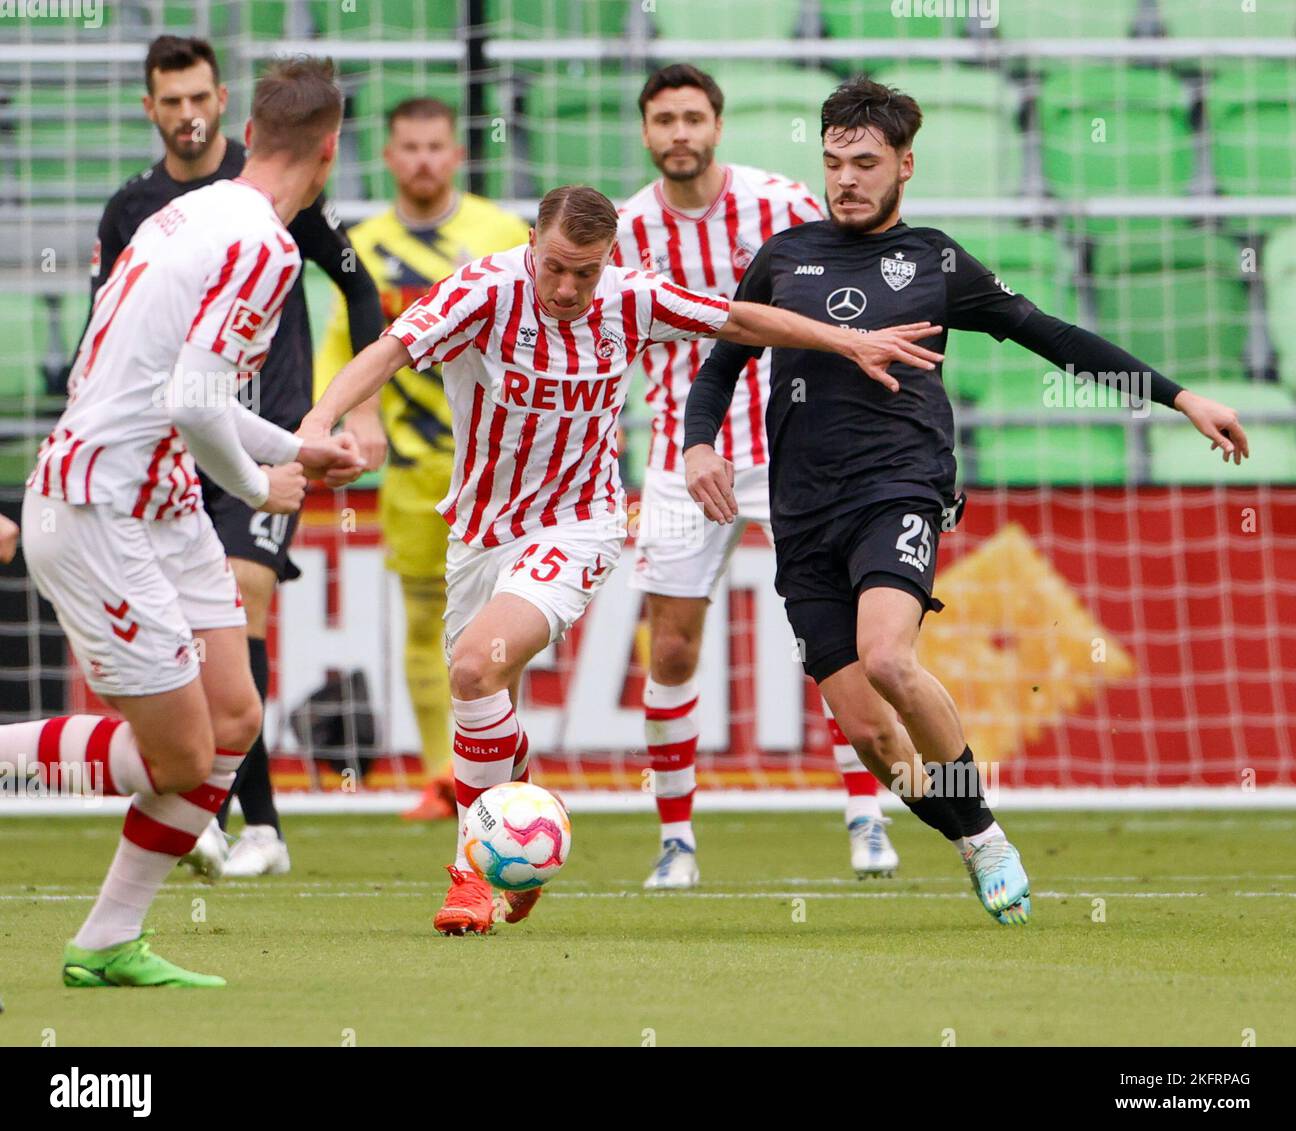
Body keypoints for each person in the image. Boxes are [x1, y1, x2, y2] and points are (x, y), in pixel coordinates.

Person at [302, 183, 943, 935]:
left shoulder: (631, 299)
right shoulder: (484, 290)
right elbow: (386, 349)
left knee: (476, 667)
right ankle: (519, 812)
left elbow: (738, 318)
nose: (570, 287)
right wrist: (321, 417)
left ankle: (472, 878)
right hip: (479, 532)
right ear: (531, 247)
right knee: (480, 689)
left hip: (579, 525)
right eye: (556, 268)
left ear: (610, 260)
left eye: (588, 271)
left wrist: (847, 340)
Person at [684, 77, 1251, 925]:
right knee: (874, 738)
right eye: (834, 161)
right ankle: (962, 833)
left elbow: (1052, 335)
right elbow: (722, 359)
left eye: (866, 163)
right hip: (800, 509)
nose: (846, 178)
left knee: (887, 657)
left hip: (897, 488)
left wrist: (1178, 398)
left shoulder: (936, 260)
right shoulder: (784, 256)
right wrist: (697, 442)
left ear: (904, 166)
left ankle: (985, 835)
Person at [0, 57, 362, 987]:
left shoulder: (191, 213)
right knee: (180, 755)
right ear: (330, 150)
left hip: (157, 499)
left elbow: (184, 390)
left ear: (248, 125)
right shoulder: (266, 246)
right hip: (98, 504)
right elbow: (200, 402)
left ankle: (107, 939)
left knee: (234, 715)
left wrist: (293, 446)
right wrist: (262, 481)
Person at [84, 36, 385, 879]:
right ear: (151, 108)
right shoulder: (143, 209)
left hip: (256, 426)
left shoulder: (276, 217)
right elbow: (129, 350)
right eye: (168, 100)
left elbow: (360, 282)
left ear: (231, 112)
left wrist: (342, 414)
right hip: (169, 450)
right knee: (192, 665)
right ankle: (197, 801)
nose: (186, 114)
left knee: (241, 604)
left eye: (197, 98)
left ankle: (258, 824)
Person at [616, 63, 897, 889]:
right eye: (663, 119)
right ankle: (676, 839)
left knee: (833, 639)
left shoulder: (780, 204)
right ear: (644, 132)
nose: (679, 133)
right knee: (670, 646)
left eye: (693, 117)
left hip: (793, 448)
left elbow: (851, 293)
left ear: (717, 125)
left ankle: (866, 817)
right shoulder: (628, 227)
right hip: (682, 454)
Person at [314, 97, 529, 822]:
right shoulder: (362, 245)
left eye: (437, 146)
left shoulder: (499, 232)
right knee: (425, 618)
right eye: (409, 147)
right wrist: (351, 419)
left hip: (498, 467)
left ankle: (499, 768)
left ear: (458, 155)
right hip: (411, 468)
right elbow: (343, 343)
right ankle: (445, 776)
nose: (424, 160)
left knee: (501, 624)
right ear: (388, 156)